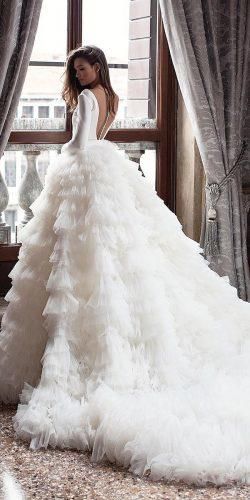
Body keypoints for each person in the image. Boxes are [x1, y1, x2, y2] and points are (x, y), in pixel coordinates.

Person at [1, 45, 250, 487]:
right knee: (116, 261)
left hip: (83, 173)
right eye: (74, 70)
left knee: (76, 266)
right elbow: (99, 137)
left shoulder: (84, 100)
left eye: (83, 67)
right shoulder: (110, 98)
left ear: (97, 66)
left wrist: (68, 150)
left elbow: (78, 144)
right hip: (107, 172)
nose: (78, 75)